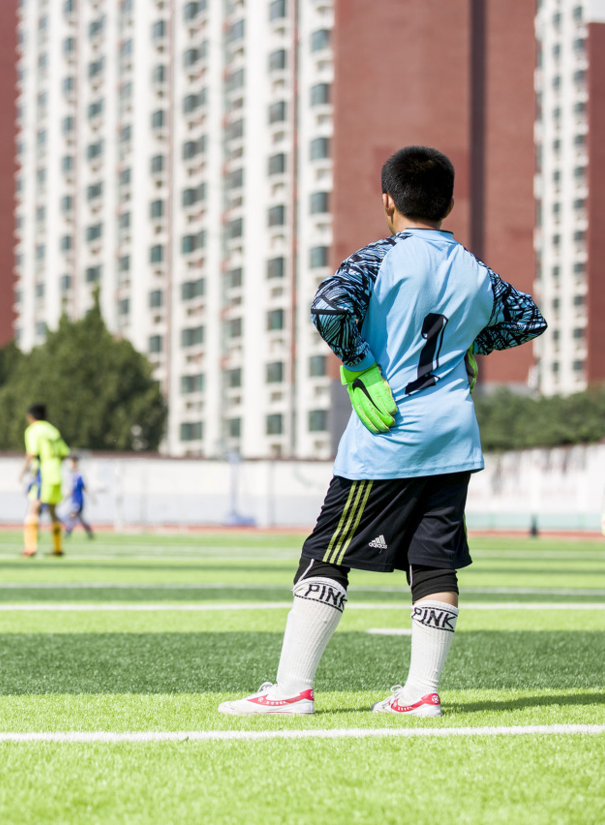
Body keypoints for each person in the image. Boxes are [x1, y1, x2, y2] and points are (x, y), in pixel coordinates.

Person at [219, 146, 546, 718]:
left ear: (388, 201)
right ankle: (422, 692)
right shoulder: (476, 270)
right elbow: (529, 319)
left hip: (389, 431)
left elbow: (329, 308)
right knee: (435, 560)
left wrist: (360, 362)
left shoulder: (380, 257)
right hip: (453, 435)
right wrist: (470, 345)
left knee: (327, 551)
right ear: (448, 204)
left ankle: (292, 688)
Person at [20, 403, 69, 557]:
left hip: (44, 474)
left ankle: (30, 548)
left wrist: (22, 472)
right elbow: (64, 452)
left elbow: (32, 453)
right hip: (56, 473)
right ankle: (58, 548)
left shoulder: (33, 430)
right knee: (53, 511)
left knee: (33, 509)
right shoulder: (53, 430)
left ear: (30, 417)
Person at [62, 456, 94, 539]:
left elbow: (83, 486)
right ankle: (89, 532)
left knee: (72, 515)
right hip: (74, 499)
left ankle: (68, 532)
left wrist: (91, 497)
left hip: (78, 500)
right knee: (80, 517)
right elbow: (71, 489)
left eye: (72, 462)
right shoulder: (71, 474)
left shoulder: (79, 474)